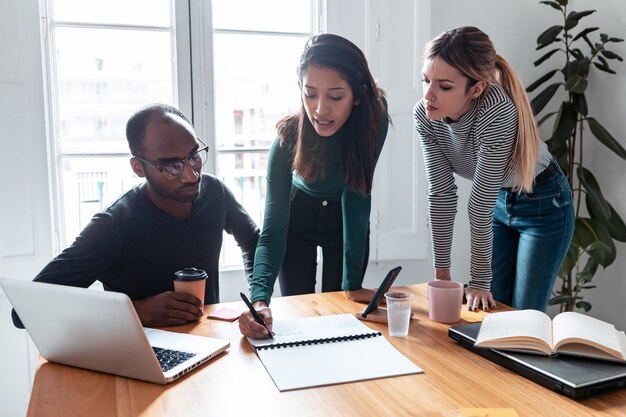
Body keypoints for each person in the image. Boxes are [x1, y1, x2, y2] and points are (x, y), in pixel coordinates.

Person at [11, 103, 259, 328]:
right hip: (141, 358)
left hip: (211, 346)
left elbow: (253, 242)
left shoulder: (214, 192)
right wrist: (134, 312)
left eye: (194, 157)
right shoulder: (113, 225)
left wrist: (258, 301)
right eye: (172, 166)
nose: (191, 175)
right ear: (138, 168)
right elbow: (23, 312)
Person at [239, 33, 391, 338]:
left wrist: (352, 283)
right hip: (298, 218)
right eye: (310, 94)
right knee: (299, 316)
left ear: (358, 95)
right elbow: (272, 231)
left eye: (335, 97)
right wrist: (259, 300)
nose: (320, 109)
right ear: (300, 89)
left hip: (344, 217)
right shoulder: (286, 141)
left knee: (341, 317)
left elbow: (357, 200)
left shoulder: (375, 119)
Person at [414, 26, 574, 312]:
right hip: (500, 201)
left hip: (544, 203)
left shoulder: (496, 110)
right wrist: (442, 277)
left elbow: (478, 204)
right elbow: (441, 194)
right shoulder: (424, 116)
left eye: (444, 86)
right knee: (491, 309)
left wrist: (478, 279)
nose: (429, 94)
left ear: (476, 88)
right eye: (425, 80)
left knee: (524, 315)